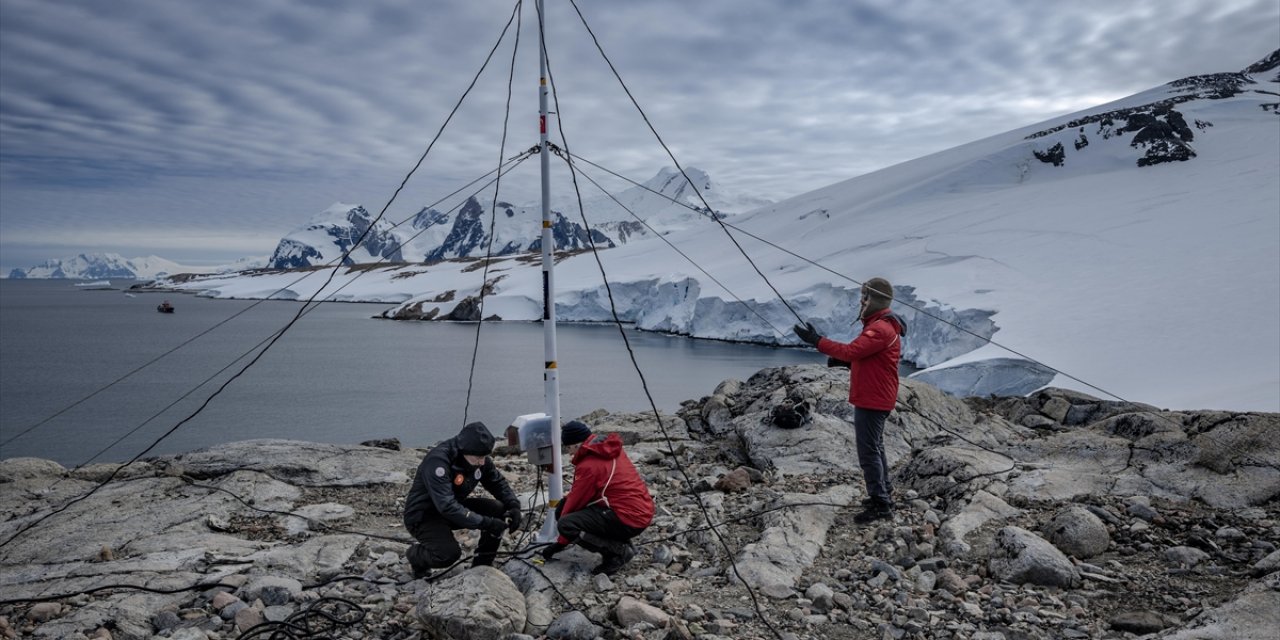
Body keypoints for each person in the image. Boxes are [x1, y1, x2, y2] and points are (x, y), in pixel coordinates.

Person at [793, 277, 907, 524]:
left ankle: (880, 505)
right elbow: (866, 357)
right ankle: (884, 493)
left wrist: (816, 340)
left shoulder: (880, 328)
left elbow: (851, 351)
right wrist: (849, 363)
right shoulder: (881, 326)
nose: (861, 301)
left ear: (874, 300)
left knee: (868, 451)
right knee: (876, 447)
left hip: (873, 398)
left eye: (865, 297)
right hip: (877, 395)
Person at [402, 421, 522, 578]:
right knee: (448, 554)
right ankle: (415, 556)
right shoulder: (438, 462)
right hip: (424, 515)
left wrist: (514, 505)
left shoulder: (478, 458)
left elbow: (497, 482)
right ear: (464, 450)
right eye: (478, 457)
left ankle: (482, 565)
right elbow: (446, 505)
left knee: (497, 509)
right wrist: (486, 523)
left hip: (452, 507)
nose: (482, 462)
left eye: (484, 457)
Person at [539, 420, 654, 575]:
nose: (569, 452)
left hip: (628, 519)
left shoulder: (589, 465)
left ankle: (617, 553)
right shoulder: (608, 449)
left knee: (566, 523)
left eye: (568, 447)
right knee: (567, 506)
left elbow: (574, 504)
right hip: (640, 510)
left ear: (577, 444)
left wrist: (560, 544)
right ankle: (619, 542)